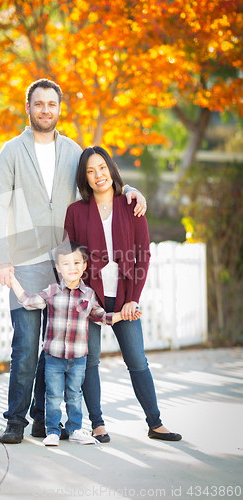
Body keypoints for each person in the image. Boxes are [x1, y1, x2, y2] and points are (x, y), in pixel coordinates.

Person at [0, 78, 147, 445]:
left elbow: (99, 182)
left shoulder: (73, 150)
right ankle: (16, 420)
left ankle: (45, 420)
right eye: (38, 104)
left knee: (54, 345)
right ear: (28, 108)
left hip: (66, 268)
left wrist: (131, 191)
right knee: (26, 346)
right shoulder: (11, 151)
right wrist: (1, 258)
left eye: (52, 104)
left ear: (60, 109)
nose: (45, 110)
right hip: (25, 263)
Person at [64, 146, 182, 442]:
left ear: (111, 169)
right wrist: (81, 298)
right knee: (90, 361)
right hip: (90, 299)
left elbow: (143, 255)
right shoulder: (75, 212)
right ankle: (97, 424)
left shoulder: (131, 205)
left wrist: (133, 299)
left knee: (137, 360)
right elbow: (69, 258)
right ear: (84, 178)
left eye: (101, 167)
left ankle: (155, 423)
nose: (97, 175)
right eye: (90, 171)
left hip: (125, 297)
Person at [8, 241, 133, 446]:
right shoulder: (52, 291)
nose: (72, 267)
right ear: (58, 268)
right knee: (54, 396)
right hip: (54, 358)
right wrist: (12, 279)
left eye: (77, 262)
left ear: (84, 265)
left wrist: (124, 315)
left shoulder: (89, 294)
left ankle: (75, 429)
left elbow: (102, 317)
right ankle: (53, 432)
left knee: (75, 396)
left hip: (78, 359)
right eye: (65, 264)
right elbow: (28, 302)